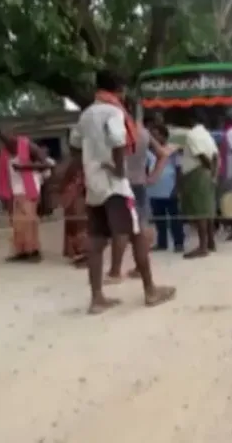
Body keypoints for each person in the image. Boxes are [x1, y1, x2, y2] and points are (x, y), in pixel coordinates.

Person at [70, 69, 175, 314]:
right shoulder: (114, 111)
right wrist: (118, 169)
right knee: (137, 234)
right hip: (115, 185)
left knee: (96, 241)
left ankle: (97, 298)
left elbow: (74, 144)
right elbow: (118, 140)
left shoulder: (86, 115)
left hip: (93, 185)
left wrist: (86, 167)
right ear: (118, 89)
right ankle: (150, 290)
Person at [106, 115, 170, 281]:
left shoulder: (116, 132)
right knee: (140, 227)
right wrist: (153, 176)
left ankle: (115, 271)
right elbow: (163, 154)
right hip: (140, 183)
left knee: (121, 229)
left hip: (122, 184)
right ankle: (139, 268)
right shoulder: (143, 133)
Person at [0, 128, 53, 262]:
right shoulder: (4, 151)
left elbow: (46, 164)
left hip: (29, 188)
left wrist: (25, 167)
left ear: (13, 135)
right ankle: (21, 251)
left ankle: (34, 251)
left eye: (7, 137)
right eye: (2, 138)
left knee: (28, 221)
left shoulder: (28, 145)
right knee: (18, 223)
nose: (6, 141)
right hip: (15, 190)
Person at [180, 119, 219, 258]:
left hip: (196, 173)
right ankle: (210, 242)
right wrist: (214, 174)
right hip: (207, 173)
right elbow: (215, 155)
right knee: (207, 208)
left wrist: (208, 167)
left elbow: (201, 155)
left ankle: (202, 247)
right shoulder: (206, 134)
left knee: (200, 210)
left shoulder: (192, 135)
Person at [147, 125, 185, 252]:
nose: (153, 137)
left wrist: (178, 188)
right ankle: (162, 243)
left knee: (174, 218)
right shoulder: (148, 151)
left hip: (170, 189)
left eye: (156, 134)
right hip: (154, 189)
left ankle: (179, 243)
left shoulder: (172, 150)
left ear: (164, 136)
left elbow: (179, 169)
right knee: (159, 219)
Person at [60, 153, 88, 267]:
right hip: (76, 195)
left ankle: (79, 252)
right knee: (79, 224)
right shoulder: (81, 160)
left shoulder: (75, 161)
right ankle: (81, 252)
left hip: (72, 195)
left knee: (76, 224)